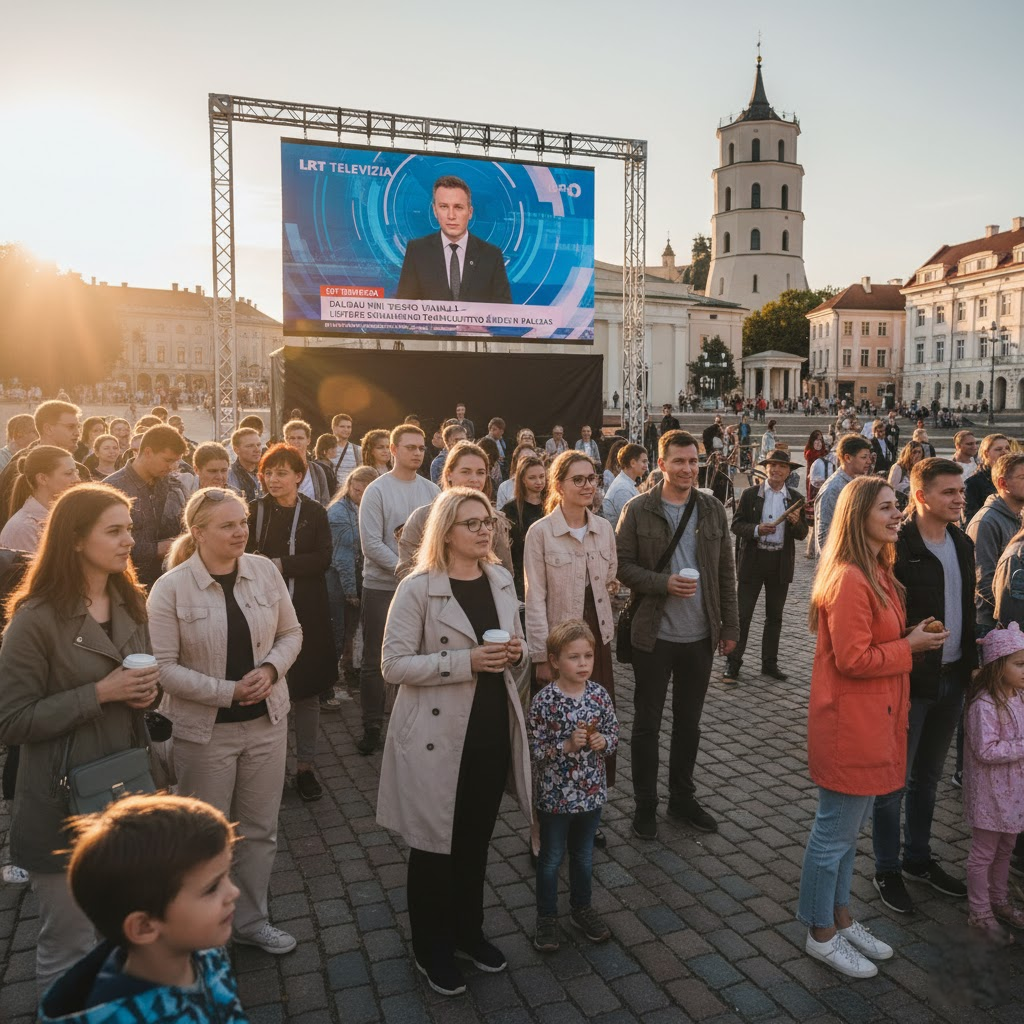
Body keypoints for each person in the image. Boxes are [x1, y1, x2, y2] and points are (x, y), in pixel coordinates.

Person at [0, 484, 160, 992]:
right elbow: (11, 721)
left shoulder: (131, 601)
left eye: (129, 529)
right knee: (67, 942)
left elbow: (143, 691)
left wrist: (145, 696)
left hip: (128, 789)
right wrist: (101, 692)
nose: (128, 540)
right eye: (113, 531)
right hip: (59, 800)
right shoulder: (34, 620)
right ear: (73, 539)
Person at [376, 487, 531, 997]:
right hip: (435, 738)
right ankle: (430, 948)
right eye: (472, 523)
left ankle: (468, 932)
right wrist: (464, 662)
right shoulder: (418, 588)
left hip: (489, 729)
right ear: (445, 531)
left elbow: (519, 646)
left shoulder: (501, 578)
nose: (485, 529)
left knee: (474, 841)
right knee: (432, 846)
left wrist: (517, 652)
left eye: (488, 521)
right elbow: (392, 665)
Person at [798, 476, 943, 978]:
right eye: (886, 507)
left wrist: (908, 635)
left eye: (896, 505)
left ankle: (839, 917)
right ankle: (819, 932)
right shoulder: (850, 578)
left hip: (872, 717)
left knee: (845, 833)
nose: (897, 513)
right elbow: (855, 658)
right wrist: (911, 647)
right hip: (851, 724)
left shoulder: (876, 571)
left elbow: (871, 642)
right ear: (858, 516)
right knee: (833, 834)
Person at [148, 485, 303, 953]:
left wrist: (272, 668)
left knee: (260, 832)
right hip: (204, 733)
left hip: (267, 723)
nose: (241, 532)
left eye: (243, 523)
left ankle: (252, 921)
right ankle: (202, 935)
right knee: (205, 839)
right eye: (228, 525)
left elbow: (291, 631)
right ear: (197, 533)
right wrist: (227, 692)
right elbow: (163, 668)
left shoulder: (262, 572)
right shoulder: (170, 588)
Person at [615, 430, 738, 839]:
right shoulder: (637, 510)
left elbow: (725, 573)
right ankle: (645, 805)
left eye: (693, 462)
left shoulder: (713, 509)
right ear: (661, 463)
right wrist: (662, 583)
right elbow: (621, 566)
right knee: (647, 724)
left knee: (690, 724)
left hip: (701, 635)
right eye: (679, 461)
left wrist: (730, 628)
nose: (688, 469)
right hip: (654, 635)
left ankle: (682, 798)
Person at [39, 794, 248, 1023]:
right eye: (212, 888)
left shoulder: (205, 952)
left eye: (228, 875)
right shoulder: (121, 1018)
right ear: (144, 927)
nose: (233, 892)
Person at [872, 458, 974, 915]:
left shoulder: (961, 541)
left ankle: (917, 857)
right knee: (893, 782)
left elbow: (966, 608)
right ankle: (886, 867)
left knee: (928, 779)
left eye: (960, 491)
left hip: (954, 676)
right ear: (921, 496)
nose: (959, 499)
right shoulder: (897, 544)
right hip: (909, 681)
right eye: (949, 492)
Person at [524, 450, 618, 802]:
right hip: (559, 644)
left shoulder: (604, 528)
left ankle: (592, 805)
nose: (587, 485)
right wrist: (540, 657)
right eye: (577, 479)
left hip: (597, 642)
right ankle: (549, 809)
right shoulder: (541, 533)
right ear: (558, 485)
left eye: (592, 478)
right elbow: (534, 598)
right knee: (559, 730)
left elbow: (610, 580)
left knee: (596, 723)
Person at [247, 444, 336, 799]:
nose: (273, 479)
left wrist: (279, 564)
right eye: (268, 472)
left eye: (282, 473)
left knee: (307, 692)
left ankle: (305, 768)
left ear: (299, 476)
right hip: (262, 612)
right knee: (268, 688)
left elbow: (324, 558)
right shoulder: (253, 511)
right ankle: (270, 769)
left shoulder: (315, 512)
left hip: (306, 610)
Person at [530, 620, 619, 952]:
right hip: (555, 798)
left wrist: (601, 741)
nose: (583, 664)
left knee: (583, 856)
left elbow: (613, 737)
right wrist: (565, 747)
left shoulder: (599, 695)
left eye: (588, 656)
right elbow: (536, 751)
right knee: (552, 858)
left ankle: (582, 909)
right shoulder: (544, 702)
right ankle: (547, 916)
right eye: (573, 657)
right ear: (554, 661)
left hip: (591, 794)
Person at [357, 424, 440, 754]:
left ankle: (412, 721)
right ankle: (372, 725)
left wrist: (419, 576)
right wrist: (408, 570)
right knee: (376, 656)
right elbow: (372, 544)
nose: (418, 453)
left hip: (421, 587)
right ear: (393, 450)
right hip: (382, 587)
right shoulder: (376, 491)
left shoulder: (432, 491)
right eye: (410, 447)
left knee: (420, 653)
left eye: (421, 447)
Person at [962, 624, 1024, 942]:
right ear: (998, 666)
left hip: (1014, 794)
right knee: (984, 852)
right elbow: (986, 750)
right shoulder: (983, 705)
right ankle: (979, 911)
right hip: (989, 794)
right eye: (1020, 663)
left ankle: (999, 900)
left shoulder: (1018, 697)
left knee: (1006, 848)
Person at [724, 450, 808, 685]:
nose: (776, 470)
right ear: (766, 468)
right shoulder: (751, 494)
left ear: (788, 471)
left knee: (775, 616)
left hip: (780, 563)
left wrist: (796, 523)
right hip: (753, 561)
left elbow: (802, 535)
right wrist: (756, 530)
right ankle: (733, 662)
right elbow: (736, 525)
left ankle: (769, 663)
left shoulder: (795, 498)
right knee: (743, 615)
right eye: (772, 465)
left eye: (781, 466)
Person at [396, 441, 512, 580]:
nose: (474, 479)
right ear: (449, 474)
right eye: (466, 472)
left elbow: (505, 572)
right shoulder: (422, 518)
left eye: (480, 473)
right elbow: (406, 572)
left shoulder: (495, 520)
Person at [396, 175, 512, 304]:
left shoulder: (491, 255)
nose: (451, 216)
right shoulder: (417, 251)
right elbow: (404, 307)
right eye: (444, 207)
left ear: (470, 212)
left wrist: (482, 325)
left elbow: (504, 311)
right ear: (435, 211)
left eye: (458, 207)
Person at [104, 425, 190, 588]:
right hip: (125, 584)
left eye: (175, 462)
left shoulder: (170, 484)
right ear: (148, 452)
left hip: (168, 581)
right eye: (168, 460)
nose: (172, 467)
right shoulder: (111, 488)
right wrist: (155, 549)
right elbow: (103, 543)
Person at [0, 400, 88, 531]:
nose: (77, 432)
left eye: (78, 427)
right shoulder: (19, 467)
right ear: (48, 429)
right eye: (70, 427)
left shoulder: (80, 469)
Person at [327, 466, 376, 689]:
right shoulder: (338, 513)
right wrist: (350, 591)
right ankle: (328, 681)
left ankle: (349, 668)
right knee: (339, 629)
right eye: (358, 491)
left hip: (360, 575)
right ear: (350, 487)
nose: (361, 496)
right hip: (339, 578)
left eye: (366, 492)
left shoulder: (369, 507)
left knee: (354, 628)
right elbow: (342, 558)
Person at [967, 452, 1024, 637]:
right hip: (993, 627)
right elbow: (982, 581)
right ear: (1002, 483)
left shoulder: (1017, 517)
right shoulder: (986, 522)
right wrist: (1012, 617)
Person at [0, 445, 80, 552]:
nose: (77, 479)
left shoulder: (67, 514)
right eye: (69, 473)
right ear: (42, 478)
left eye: (76, 472)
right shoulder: (24, 528)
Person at [814, 434, 874, 554]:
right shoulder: (833, 489)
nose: (869, 461)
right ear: (848, 458)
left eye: (869, 457)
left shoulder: (855, 482)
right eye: (864, 457)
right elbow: (824, 535)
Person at [501, 455, 547, 601]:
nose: (539, 482)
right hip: (522, 574)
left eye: (542, 476)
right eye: (532, 478)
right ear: (522, 479)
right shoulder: (511, 509)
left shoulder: (552, 505)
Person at [965, 434, 1012, 523]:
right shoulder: (973, 483)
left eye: (1007, 448)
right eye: (998, 449)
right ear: (986, 454)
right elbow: (969, 520)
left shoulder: (1014, 479)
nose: (1004, 452)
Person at [282, 420, 331, 504]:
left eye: (300, 438)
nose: (296, 442)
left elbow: (325, 501)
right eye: (292, 438)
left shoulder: (317, 471)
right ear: (286, 440)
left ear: (308, 440)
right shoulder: (279, 469)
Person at [601, 442, 647, 526]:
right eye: (644, 462)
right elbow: (632, 524)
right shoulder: (622, 489)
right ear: (632, 463)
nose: (646, 466)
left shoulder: (626, 483)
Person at [495, 441, 539, 507]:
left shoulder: (543, 485)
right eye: (525, 459)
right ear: (516, 463)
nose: (529, 463)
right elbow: (501, 514)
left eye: (533, 459)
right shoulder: (505, 487)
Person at [227, 427, 263, 503]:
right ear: (236, 450)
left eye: (258, 445)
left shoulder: (267, 473)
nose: (257, 449)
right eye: (250, 446)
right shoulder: (228, 476)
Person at [329, 413, 362, 488]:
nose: (346, 430)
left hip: (351, 492)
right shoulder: (325, 449)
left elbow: (361, 474)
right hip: (331, 493)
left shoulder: (358, 450)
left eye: (349, 427)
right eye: (342, 426)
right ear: (334, 428)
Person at [887, 441, 923, 509]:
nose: (917, 455)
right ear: (908, 453)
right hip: (899, 504)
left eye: (919, 452)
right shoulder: (898, 467)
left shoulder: (919, 468)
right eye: (914, 452)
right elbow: (891, 488)